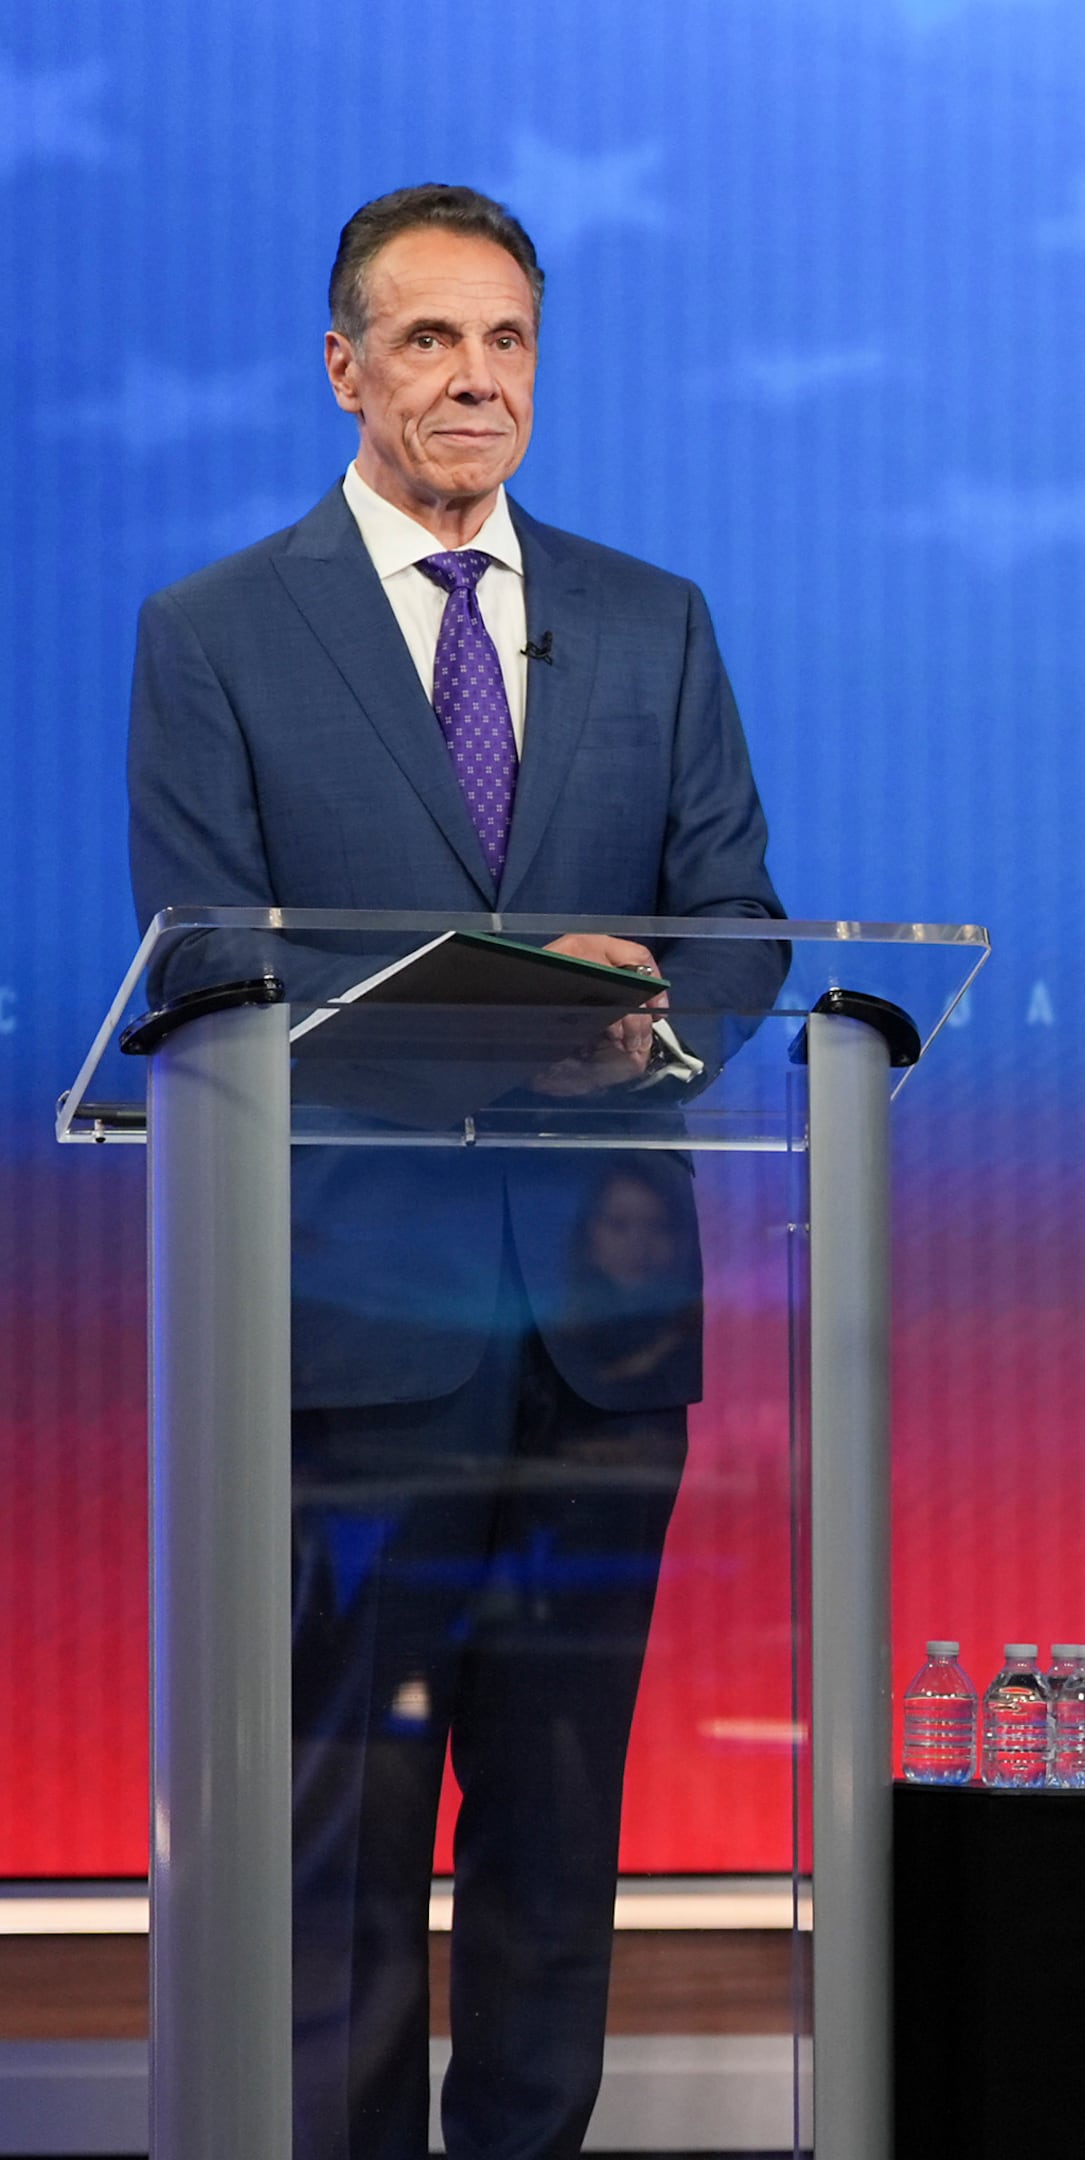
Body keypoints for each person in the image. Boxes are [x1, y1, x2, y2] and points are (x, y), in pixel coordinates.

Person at [127, 184, 786, 2160]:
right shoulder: (216, 635)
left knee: (557, 1827)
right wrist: (495, 1004)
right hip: (350, 1329)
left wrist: (648, 1027)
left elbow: (736, 925)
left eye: (506, 342)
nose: (472, 382)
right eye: (428, 342)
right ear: (344, 367)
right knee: (343, 1844)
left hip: (597, 1334)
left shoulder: (652, 620)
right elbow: (213, 956)